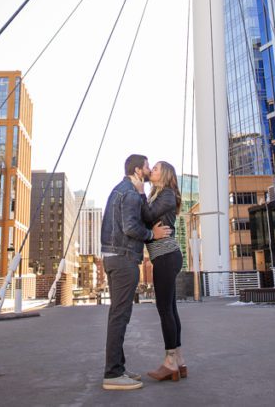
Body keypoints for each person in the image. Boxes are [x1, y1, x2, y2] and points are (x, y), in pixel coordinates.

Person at [101, 154, 171, 391]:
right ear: (138, 170)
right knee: (120, 316)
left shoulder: (123, 190)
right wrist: (153, 235)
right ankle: (113, 373)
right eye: (147, 166)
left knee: (117, 314)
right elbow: (132, 227)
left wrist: (142, 194)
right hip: (123, 259)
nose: (149, 169)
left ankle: (118, 368)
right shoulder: (130, 193)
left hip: (113, 257)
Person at [142, 160, 186, 382]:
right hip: (165, 256)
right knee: (170, 308)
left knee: (164, 309)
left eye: (156, 168)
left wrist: (139, 192)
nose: (152, 170)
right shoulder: (159, 195)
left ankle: (170, 362)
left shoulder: (167, 194)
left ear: (165, 174)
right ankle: (179, 360)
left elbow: (148, 216)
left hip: (166, 256)